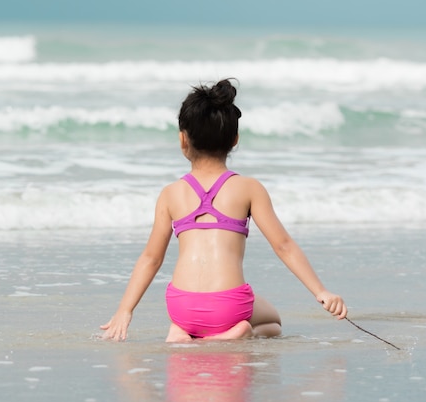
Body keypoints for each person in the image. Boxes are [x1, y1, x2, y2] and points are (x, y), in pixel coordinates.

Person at [100, 78, 347, 342]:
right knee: (273, 322)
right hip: (229, 307)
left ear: (183, 140)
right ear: (235, 139)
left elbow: (151, 258)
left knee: (201, 317)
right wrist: (321, 291)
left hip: (181, 308)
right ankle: (236, 333)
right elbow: (283, 245)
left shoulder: (170, 194)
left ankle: (183, 333)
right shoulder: (249, 188)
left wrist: (125, 310)